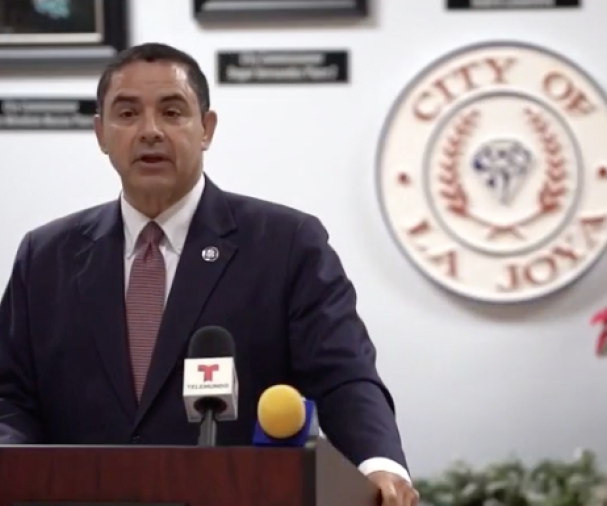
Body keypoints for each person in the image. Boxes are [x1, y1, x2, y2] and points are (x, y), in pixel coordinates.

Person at [0, 43, 417, 506]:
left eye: (173, 112)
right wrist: (18, 468)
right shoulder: (46, 256)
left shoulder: (286, 244)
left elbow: (343, 376)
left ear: (206, 129)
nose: (150, 131)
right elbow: (10, 396)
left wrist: (379, 464)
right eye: (127, 114)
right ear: (100, 133)